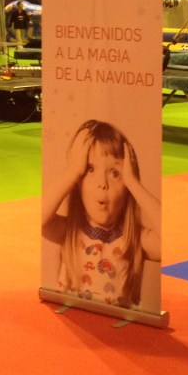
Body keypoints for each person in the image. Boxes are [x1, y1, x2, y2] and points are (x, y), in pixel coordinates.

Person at [42, 119, 161, 308]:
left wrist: (133, 184)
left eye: (115, 173)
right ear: (78, 183)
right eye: (90, 169)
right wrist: (73, 171)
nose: (102, 184)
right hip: (72, 321)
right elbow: (39, 219)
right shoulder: (69, 232)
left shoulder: (136, 239)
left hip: (116, 326)